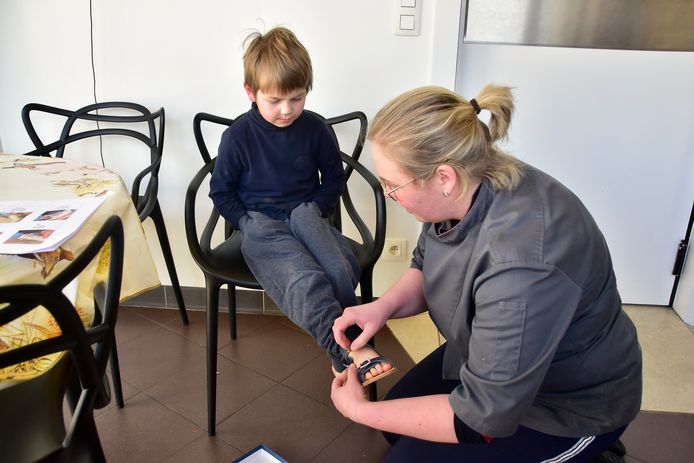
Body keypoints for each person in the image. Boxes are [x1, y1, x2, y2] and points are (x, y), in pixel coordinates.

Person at [330, 85, 642, 462]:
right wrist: (381, 308)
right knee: (395, 427)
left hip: (569, 407)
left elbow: (477, 420)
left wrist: (359, 412)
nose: (389, 194)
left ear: (443, 177)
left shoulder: (523, 265)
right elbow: (425, 266)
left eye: (392, 185)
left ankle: (588, 451)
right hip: (493, 357)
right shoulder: (466, 182)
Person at [209, 26, 395, 385]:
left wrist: (316, 208)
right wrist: (245, 223)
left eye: (296, 99)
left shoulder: (315, 129)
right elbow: (221, 192)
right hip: (262, 225)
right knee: (304, 280)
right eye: (274, 100)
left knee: (338, 271)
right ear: (251, 92)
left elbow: (333, 180)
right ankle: (347, 352)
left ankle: (348, 348)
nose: (286, 110)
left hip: (305, 214)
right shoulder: (237, 137)